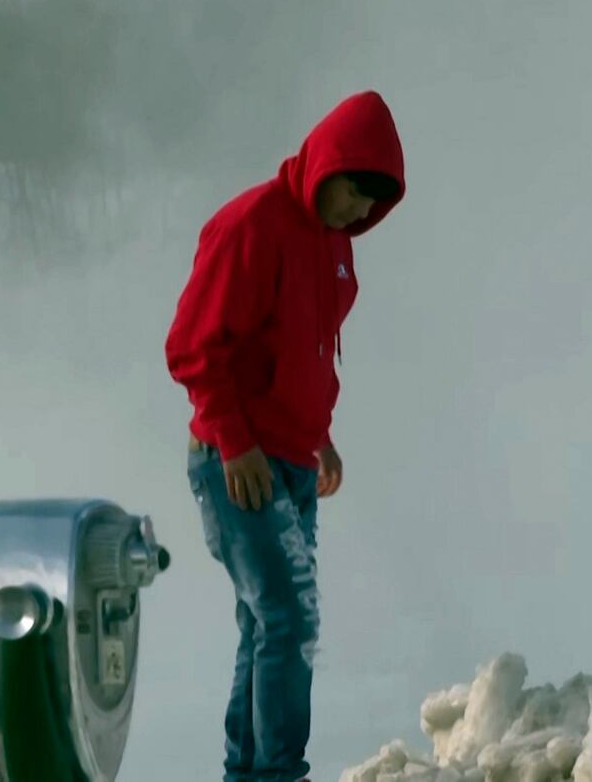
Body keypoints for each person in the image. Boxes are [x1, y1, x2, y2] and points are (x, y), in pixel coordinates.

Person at [165, 90, 406, 782]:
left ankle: (249, 775)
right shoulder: (251, 226)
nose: (363, 215)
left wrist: (318, 436)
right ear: (330, 168)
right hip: (237, 460)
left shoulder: (333, 244)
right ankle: (278, 775)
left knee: (265, 626)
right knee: (290, 622)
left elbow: (303, 350)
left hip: (292, 459)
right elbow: (191, 347)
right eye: (357, 194)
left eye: (374, 205)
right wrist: (235, 443)